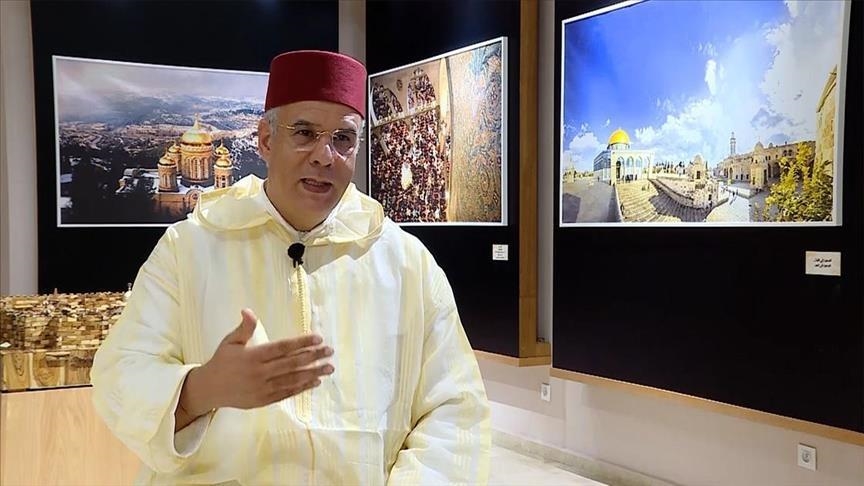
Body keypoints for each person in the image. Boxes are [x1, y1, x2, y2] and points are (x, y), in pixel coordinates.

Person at [91, 50, 491, 485]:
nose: (325, 156)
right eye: (304, 133)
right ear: (265, 140)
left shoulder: (405, 261)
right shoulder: (190, 248)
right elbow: (119, 376)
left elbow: (455, 409)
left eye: (343, 138)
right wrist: (201, 389)